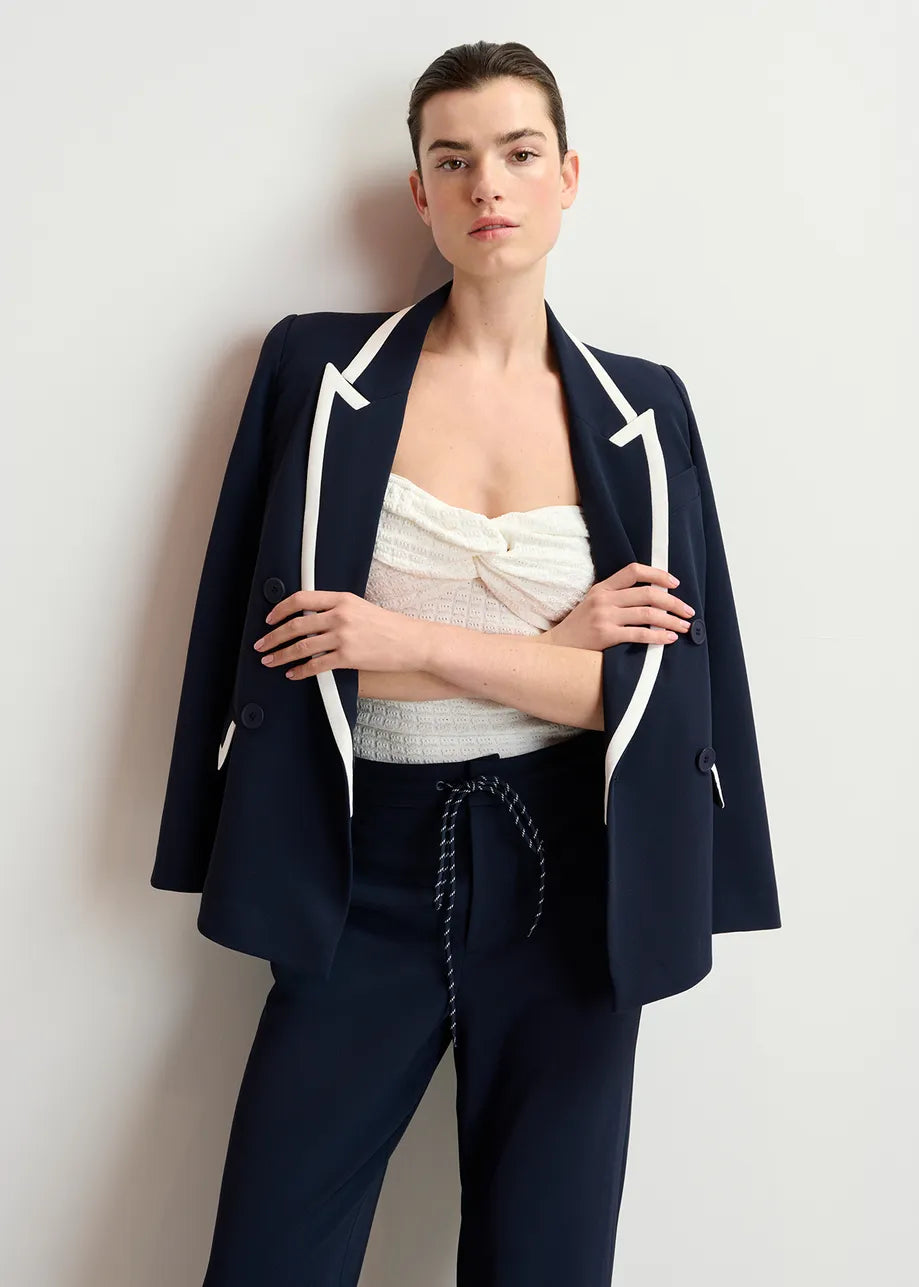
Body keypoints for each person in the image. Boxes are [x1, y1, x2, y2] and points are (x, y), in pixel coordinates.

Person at [153, 39, 781, 1287]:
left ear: (567, 177)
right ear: (420, 194)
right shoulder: (317, 376)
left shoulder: (642, 415)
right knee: (268, 1258)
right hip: (359, 879)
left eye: (516, 152)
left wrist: (407, 639)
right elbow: (299, 664)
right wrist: (551, 653)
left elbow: (650, 703)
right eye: (452, 158)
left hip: (573, 883)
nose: (486, 182)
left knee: (545, 1264)